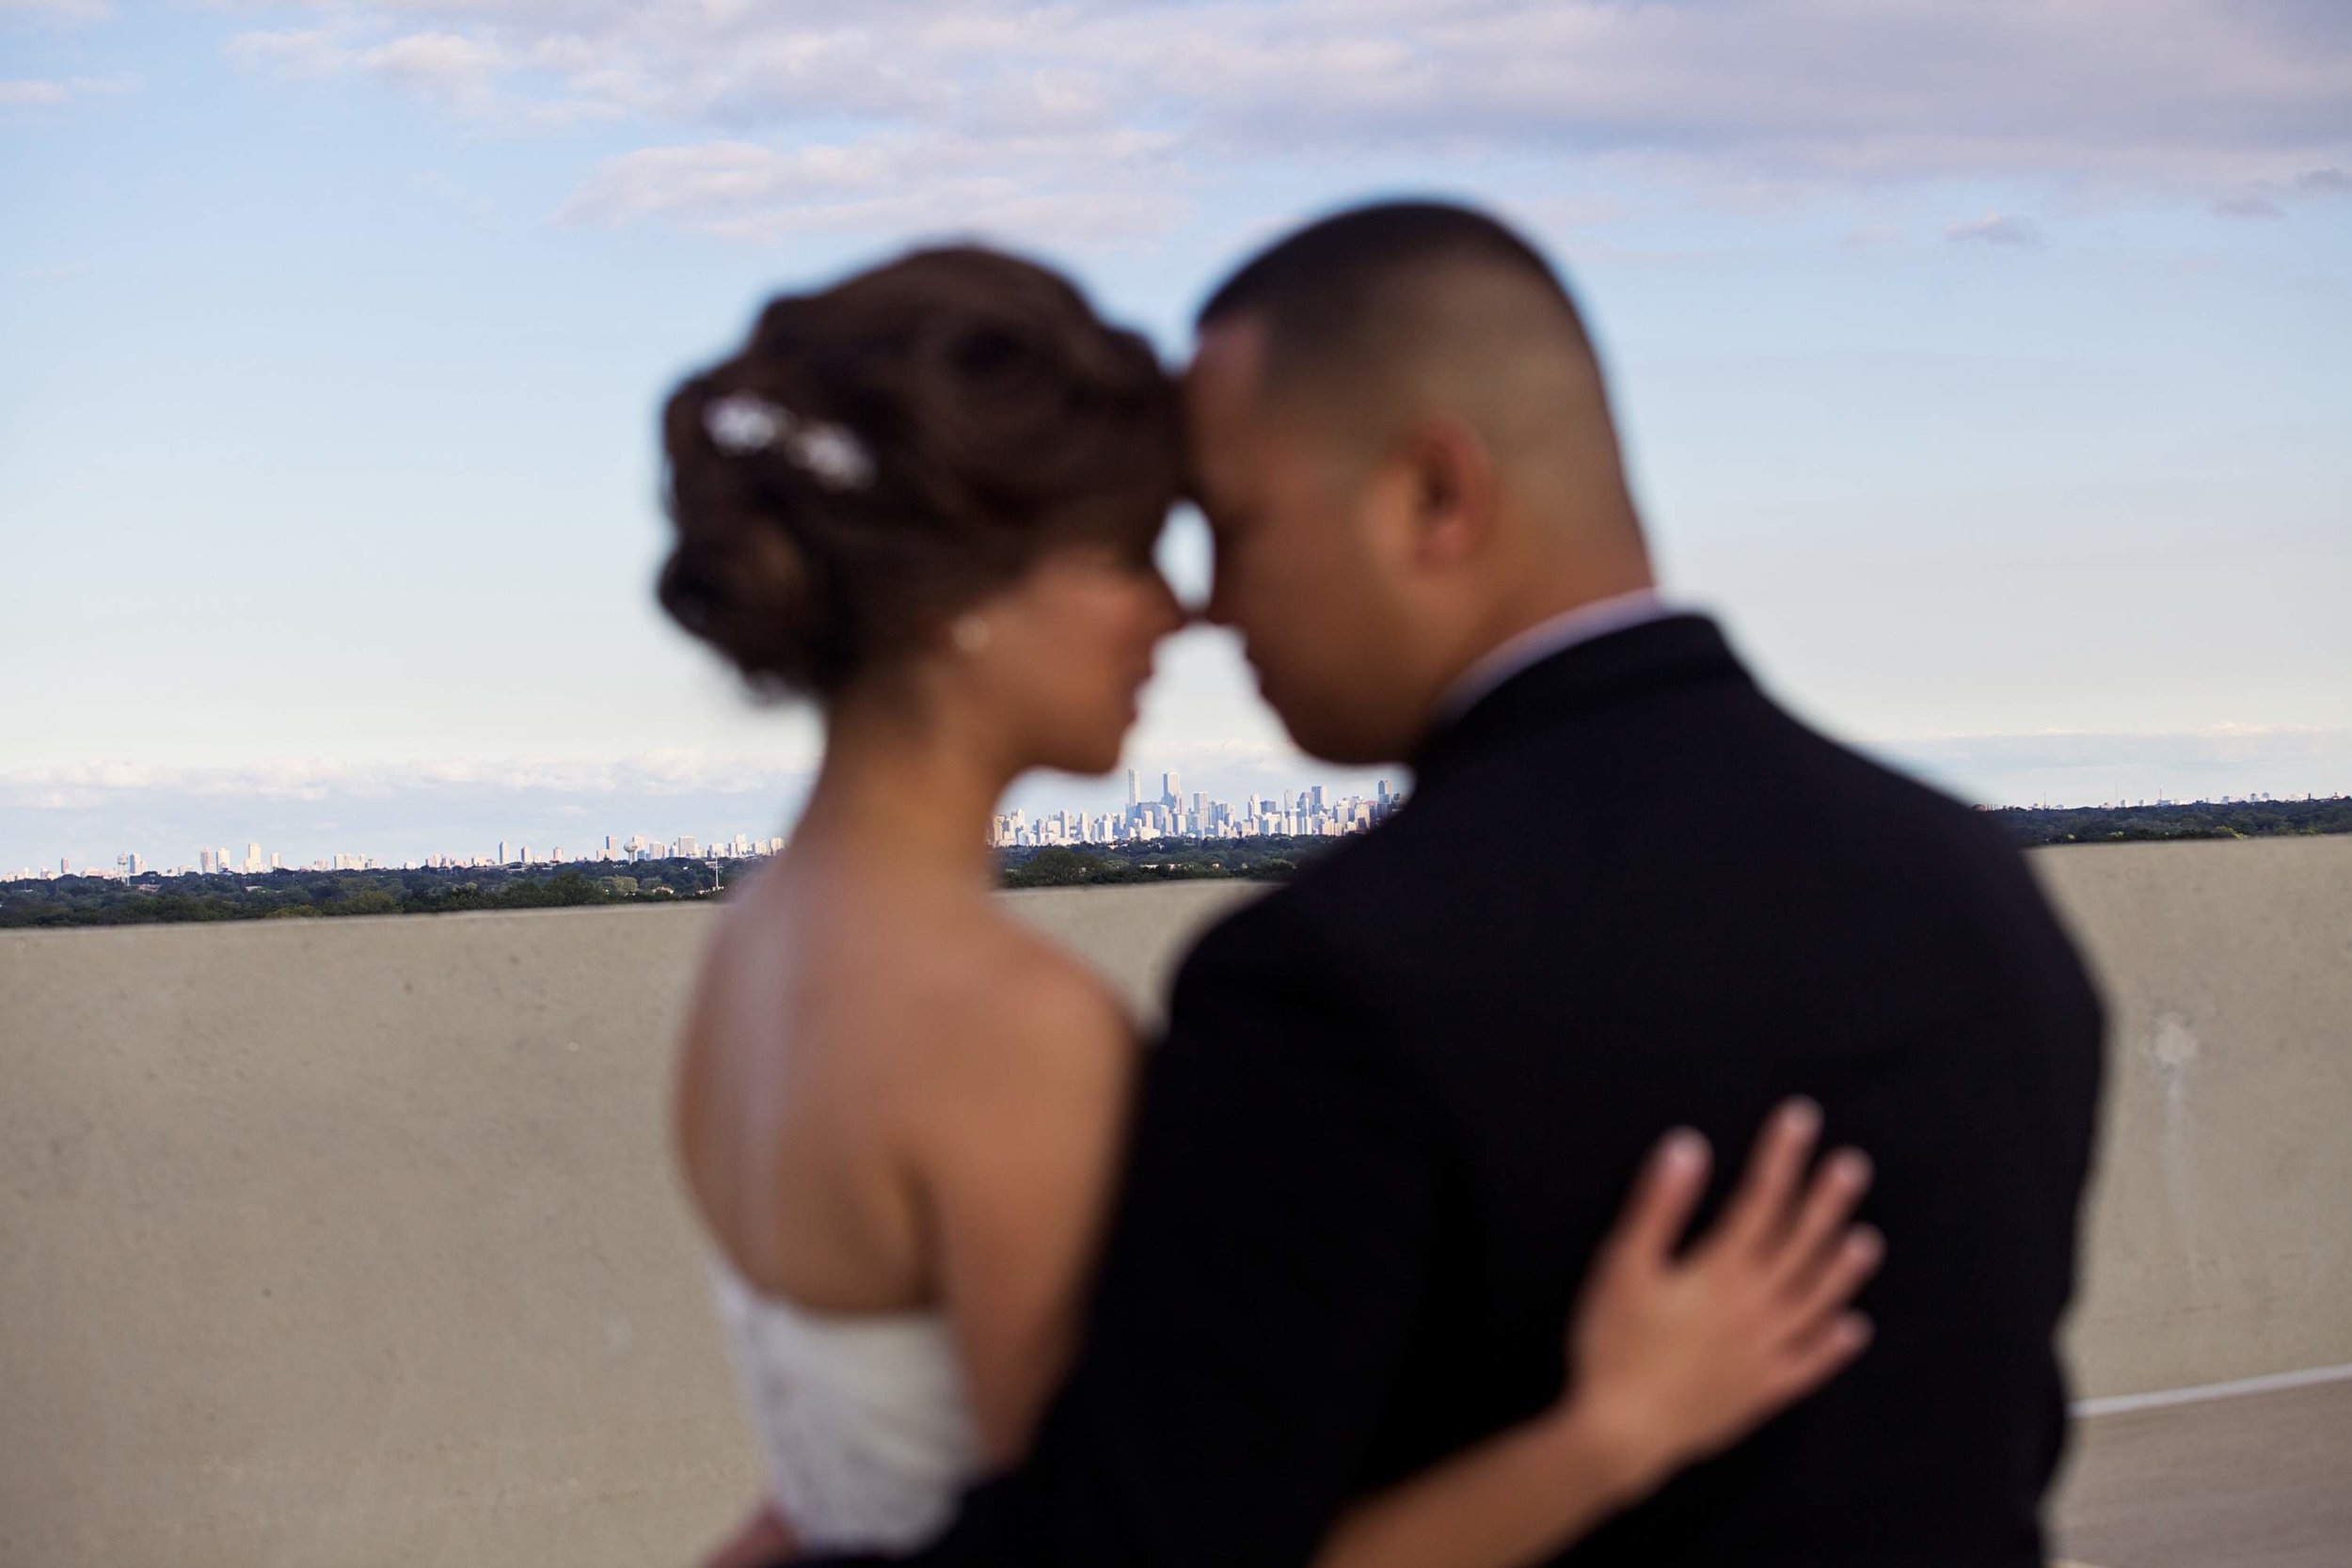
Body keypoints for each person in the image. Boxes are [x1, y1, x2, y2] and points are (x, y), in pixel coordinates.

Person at [763, 204, 2107, 1568]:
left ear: (1433, 497)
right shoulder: (1975, 891)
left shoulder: (1334, 984)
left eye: (1232, 526)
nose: (1211, 608)